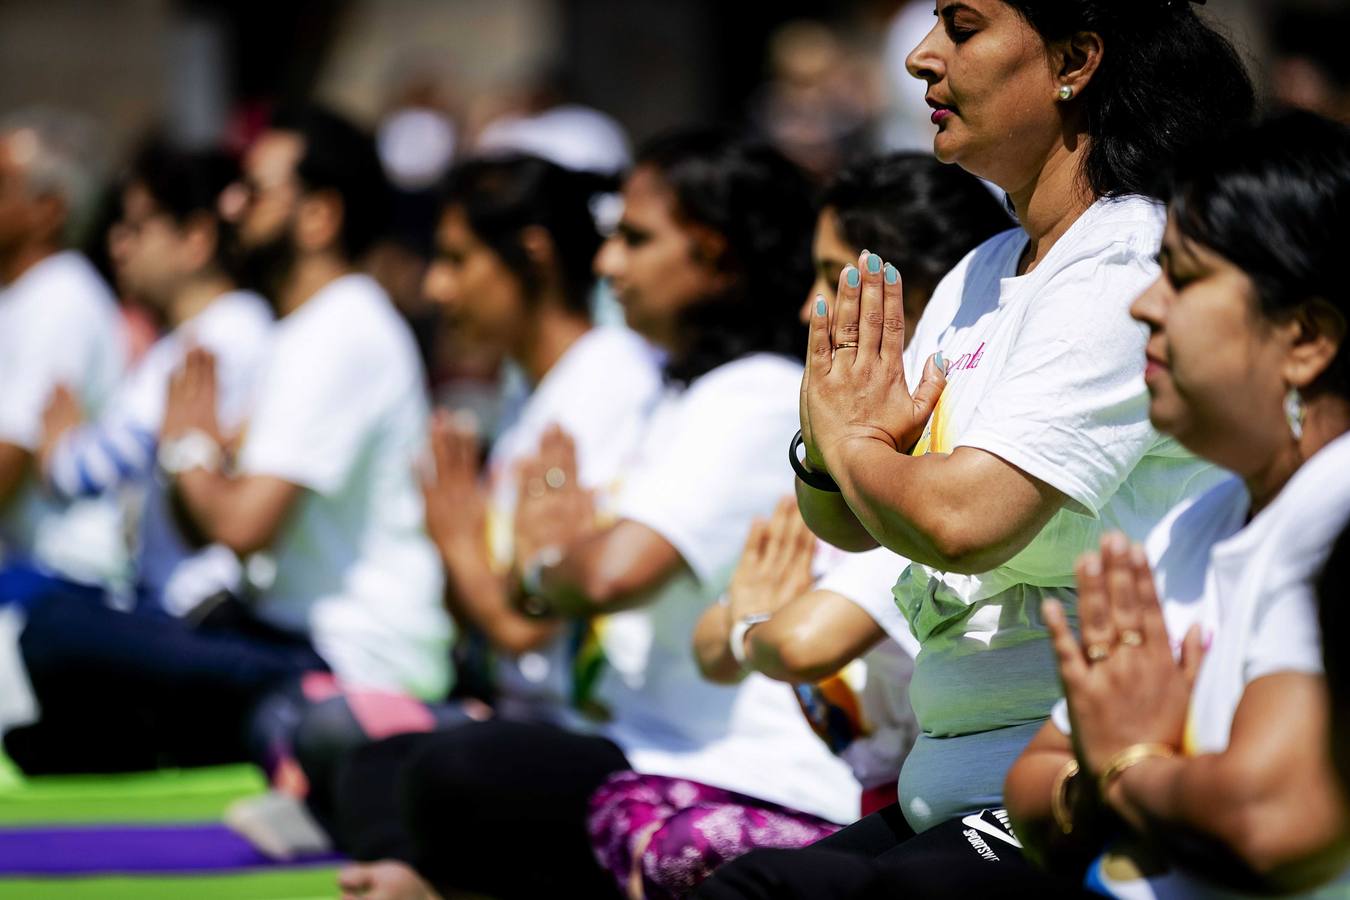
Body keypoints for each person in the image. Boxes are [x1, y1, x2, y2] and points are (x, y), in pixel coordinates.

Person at [700, 1, 1254, 896]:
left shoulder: (1126, 260)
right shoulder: (983, 268)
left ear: (1074, 60)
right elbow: (849, 523)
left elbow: (961, 521)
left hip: (1077, 779)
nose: (920, 59)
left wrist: (850, 443)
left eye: (961, 27)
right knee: (747, 884)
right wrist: (830, 449)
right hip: (949, 782)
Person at [334, 130, 856, 900]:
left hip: (723, 765)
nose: (608, 265)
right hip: (637, 741)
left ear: (714, 258)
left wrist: (524, 561)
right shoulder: (682, 394)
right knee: (384, 761)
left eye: (635, 240)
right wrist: (547, 563)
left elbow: (612, 571)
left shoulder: (753, 393)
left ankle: (433, 881)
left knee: (459, 769)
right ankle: (420, 873)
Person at [588, 151, 1011, 899]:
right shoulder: (845, 471)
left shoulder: (941, 465)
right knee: (620, 808)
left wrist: (754, 624)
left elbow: (801, 640)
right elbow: (718, 648)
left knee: (686, 843)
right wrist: (756, 626)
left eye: (830, 278)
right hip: (879, 803)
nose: (804, 307)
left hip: (952, 815)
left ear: (902, 296)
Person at [4, 106, 451, 777]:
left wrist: (188, 449)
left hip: (351, 657)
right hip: (277, 632)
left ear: (319, 216)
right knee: (65, 661)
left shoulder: (342, 330)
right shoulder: (298, 330)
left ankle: (308, 723)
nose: (234, 206)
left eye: (257, 191)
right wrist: (198, 453)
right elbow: (210, 515)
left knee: (57, 630)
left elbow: (241, 526)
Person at [1005, 110, 1350, 898]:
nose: (1143, 306)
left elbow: (1277, 818)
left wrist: (1128, 768)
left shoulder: (1337, 513)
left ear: (1305, 338)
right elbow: (1033, 785)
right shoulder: (1201, 519)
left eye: (1185, 278)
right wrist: (1145, 778)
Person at [37, 138, 272, 618]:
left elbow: (91, 468)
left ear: (196, 239)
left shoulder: (220, 336)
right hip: (172, 597)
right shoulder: (210, 331)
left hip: (198, 605)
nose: (118, 245)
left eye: (137, 228)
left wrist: (57, 449)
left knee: (46, 629)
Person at [0, 108, 125, 590]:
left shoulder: (61, 297)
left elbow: (8, 461)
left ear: (48, 210)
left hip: (63, 579)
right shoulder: (25, 295)